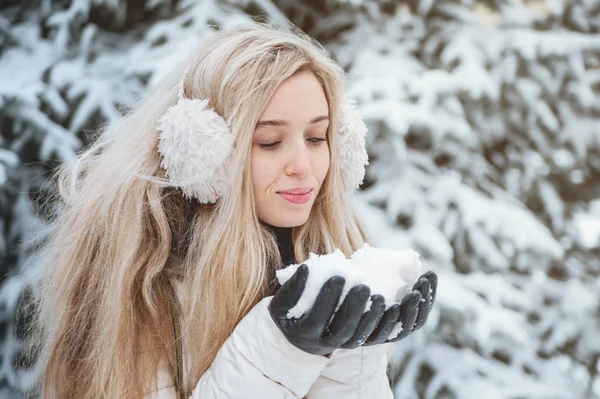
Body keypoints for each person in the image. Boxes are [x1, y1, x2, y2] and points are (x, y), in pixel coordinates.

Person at [27, 23, 438, 398]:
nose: (304, 165)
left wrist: (353, 351)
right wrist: (280, 347)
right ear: (207, 153)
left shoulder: (327, 250)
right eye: (270, 142)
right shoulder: (143, 284)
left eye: (317, 137)